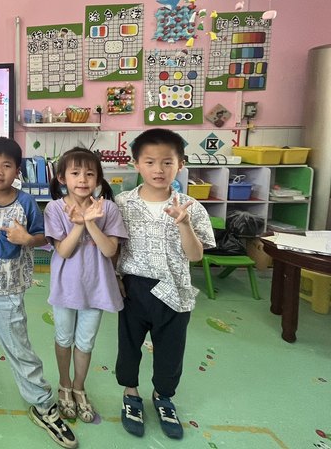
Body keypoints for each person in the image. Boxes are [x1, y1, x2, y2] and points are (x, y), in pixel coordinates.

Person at [0, 137, 77, 449]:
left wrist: (27, 238)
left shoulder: (25, 202)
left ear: (17, 171)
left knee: (18, 346)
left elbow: (43, 237)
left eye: (6, 165)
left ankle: (42, 404)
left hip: (6, 288)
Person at [114, 128, 214, 439]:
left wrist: (184, 223)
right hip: (133, 288)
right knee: (128, 346)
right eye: (150, 162)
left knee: (170, 350)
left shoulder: (191, 206)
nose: (159, 169)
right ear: (136, 164)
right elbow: (114, 247)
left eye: (167, 162)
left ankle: (163, 396)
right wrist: (115, 278)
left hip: (175, 290)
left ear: (180, 164)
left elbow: (195, 255)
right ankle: (131, 394)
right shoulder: (122, 203)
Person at [44, 147, 128, 424]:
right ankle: (64, 384)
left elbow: (109, 250)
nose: (83, 179)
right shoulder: (55, 209)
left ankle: (79, 387)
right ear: (62, 178)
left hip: (97, 288)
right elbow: (64, 251)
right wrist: (79, 224)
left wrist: (90, 222)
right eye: (75, 173)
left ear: (98, 180)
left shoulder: (109, 209)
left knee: (85, 342)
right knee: (63, 339)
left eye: (90, 174)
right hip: (65, 288)